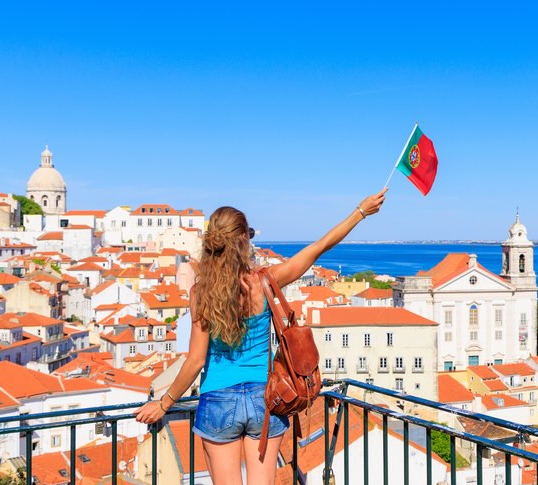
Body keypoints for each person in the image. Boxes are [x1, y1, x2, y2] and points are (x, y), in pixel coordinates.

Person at [134, 189, 387, 485]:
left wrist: (163, 404)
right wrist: (360, 212)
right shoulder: (264, 282)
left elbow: (196, 361)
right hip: (264, 400)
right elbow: (318, 247)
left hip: (219, 399)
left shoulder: (200, 293)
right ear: (244, 240)